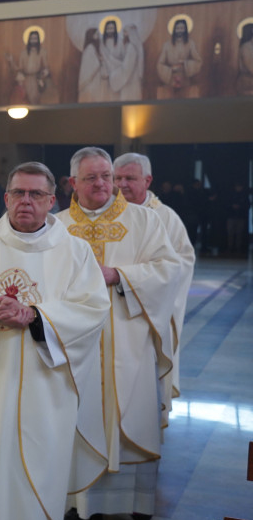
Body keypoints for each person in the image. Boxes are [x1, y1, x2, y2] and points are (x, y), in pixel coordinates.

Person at [0, 162, 109, 520]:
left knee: (30, 478)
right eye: (17, 193)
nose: (25, 202)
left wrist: (35, 316)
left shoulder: (73, 252)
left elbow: (92, 311)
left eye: (35, 194)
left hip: (42, 392)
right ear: (4, 198)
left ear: (53, 200)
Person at [56, 147, 181, 520]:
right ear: (73, 182)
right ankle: (80, 502)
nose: (103, 184)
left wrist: (118, 276)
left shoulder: (144, 221)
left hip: (128, 339)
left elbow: (169, 269)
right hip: (77, 344)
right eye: (91, 177)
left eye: (107, 176)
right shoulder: (57, 226)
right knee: (79, 415)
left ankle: (136, 500)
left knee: (131, 411)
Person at [114, 152, 195, 421]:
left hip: (148, 312)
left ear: (147, 180)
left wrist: (139, 281)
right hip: (113, 312)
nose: (122, 184)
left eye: (130, 178)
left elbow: (182, 263)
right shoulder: (108, 214)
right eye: (118, 178)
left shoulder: (165, 218)